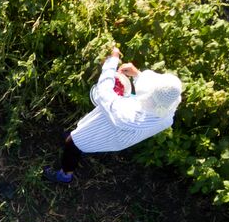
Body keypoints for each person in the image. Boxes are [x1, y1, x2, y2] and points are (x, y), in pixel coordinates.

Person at [44, 46, 182, 185]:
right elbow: (155, 91)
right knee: (81, 133)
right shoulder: (168, 107)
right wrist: (138, 75)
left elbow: (104, 92)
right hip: (122, 131)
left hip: (111, 131)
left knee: (74, 144)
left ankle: (65, 175)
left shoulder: (128, 115)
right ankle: (76, 140)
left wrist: (112, 60)